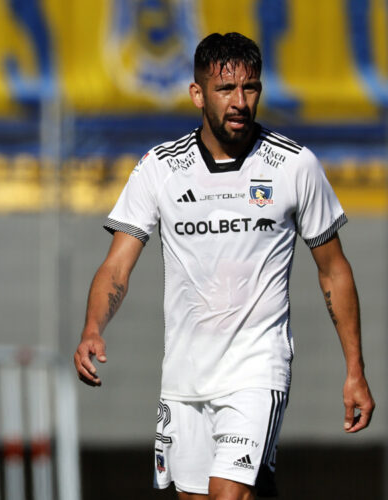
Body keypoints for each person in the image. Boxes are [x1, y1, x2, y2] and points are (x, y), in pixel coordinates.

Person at [73, 32, 375, 499]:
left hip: (257, 369)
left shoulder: (294, 166)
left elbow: (333, 268)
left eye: (249, 88)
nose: (239, 101)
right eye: (225, 89)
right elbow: (116, 266)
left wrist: (354, 369)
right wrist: (93, 326)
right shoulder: (160, 169)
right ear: (197, 94)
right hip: (185, 376)